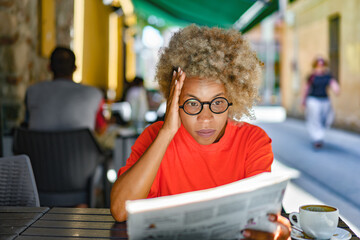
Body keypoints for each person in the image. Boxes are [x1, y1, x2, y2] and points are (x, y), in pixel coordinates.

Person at [110, 25, 291, 239]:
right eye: (192, 104)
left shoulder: (253, 141)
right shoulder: (154, 137)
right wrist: (167, 132)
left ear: (233, 98)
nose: (205, 118)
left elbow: (262, 220)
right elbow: (120, 210)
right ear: (174, 102)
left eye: (217, 102)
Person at [24, 46, 107, 136]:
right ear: (75, 68)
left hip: (39, 149)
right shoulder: (94, 94)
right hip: (79, 149)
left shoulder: (32, 92)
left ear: (49, 67)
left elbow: (28, 124)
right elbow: (101, 129)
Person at [301, 56, 340, 149]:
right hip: (313, 99)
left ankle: (319, 135)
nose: (320, 67)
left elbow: (334, 85)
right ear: (315, 66)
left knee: (327, 119)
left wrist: (336, 89)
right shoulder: (312, 76)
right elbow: (306, 88)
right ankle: (317, 139)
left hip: (325, 100)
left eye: (322, 65)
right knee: (315, 119)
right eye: (318, 65)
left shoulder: (328, 76)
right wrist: (303, 100)